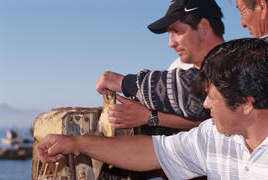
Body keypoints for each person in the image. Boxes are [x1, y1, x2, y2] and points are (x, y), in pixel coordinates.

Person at [37, 38, 268, 179]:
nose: (205, 105)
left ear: (247, 103)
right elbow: (152, 152)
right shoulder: (214, 136)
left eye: (212, 98)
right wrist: (75, 143)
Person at [96, 0, 225, 132]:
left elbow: (198, 90)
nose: (171, 43)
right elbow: (203, 120)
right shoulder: (178, 66)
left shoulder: (235, 64)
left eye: (177, 32)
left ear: (203, 27)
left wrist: (126, 83)